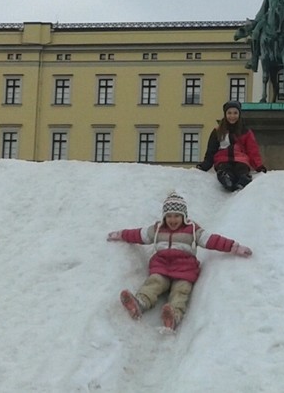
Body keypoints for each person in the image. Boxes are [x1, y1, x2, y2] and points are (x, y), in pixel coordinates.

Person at [107, 191, 253, 331]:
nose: (172, 220)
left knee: (181, 291)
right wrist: (120, 234)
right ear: (164, 217)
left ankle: (174, 315)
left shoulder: (192, 230)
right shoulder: (157, 229)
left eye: (177, 216)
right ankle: (140, 303)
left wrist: (235, 247)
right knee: (154, 282)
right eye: (169, 216)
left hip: (185, 271)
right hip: (162, 268)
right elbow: (138, 234)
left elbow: (212, 240)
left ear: (184, 216)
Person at [195, 100, 267, 191]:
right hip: (222, 159)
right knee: (225, 169)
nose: (232, 116)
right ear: (225, 114)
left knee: (242, 169)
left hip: (241, 159)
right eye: (229, 113)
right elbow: (211, 150)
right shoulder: (218, 131)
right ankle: (227, 179)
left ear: (239, 115)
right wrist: (205, 165)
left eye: (235, 113)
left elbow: (252, 150)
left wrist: (258, 166)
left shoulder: (245, 131)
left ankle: (242, 180)